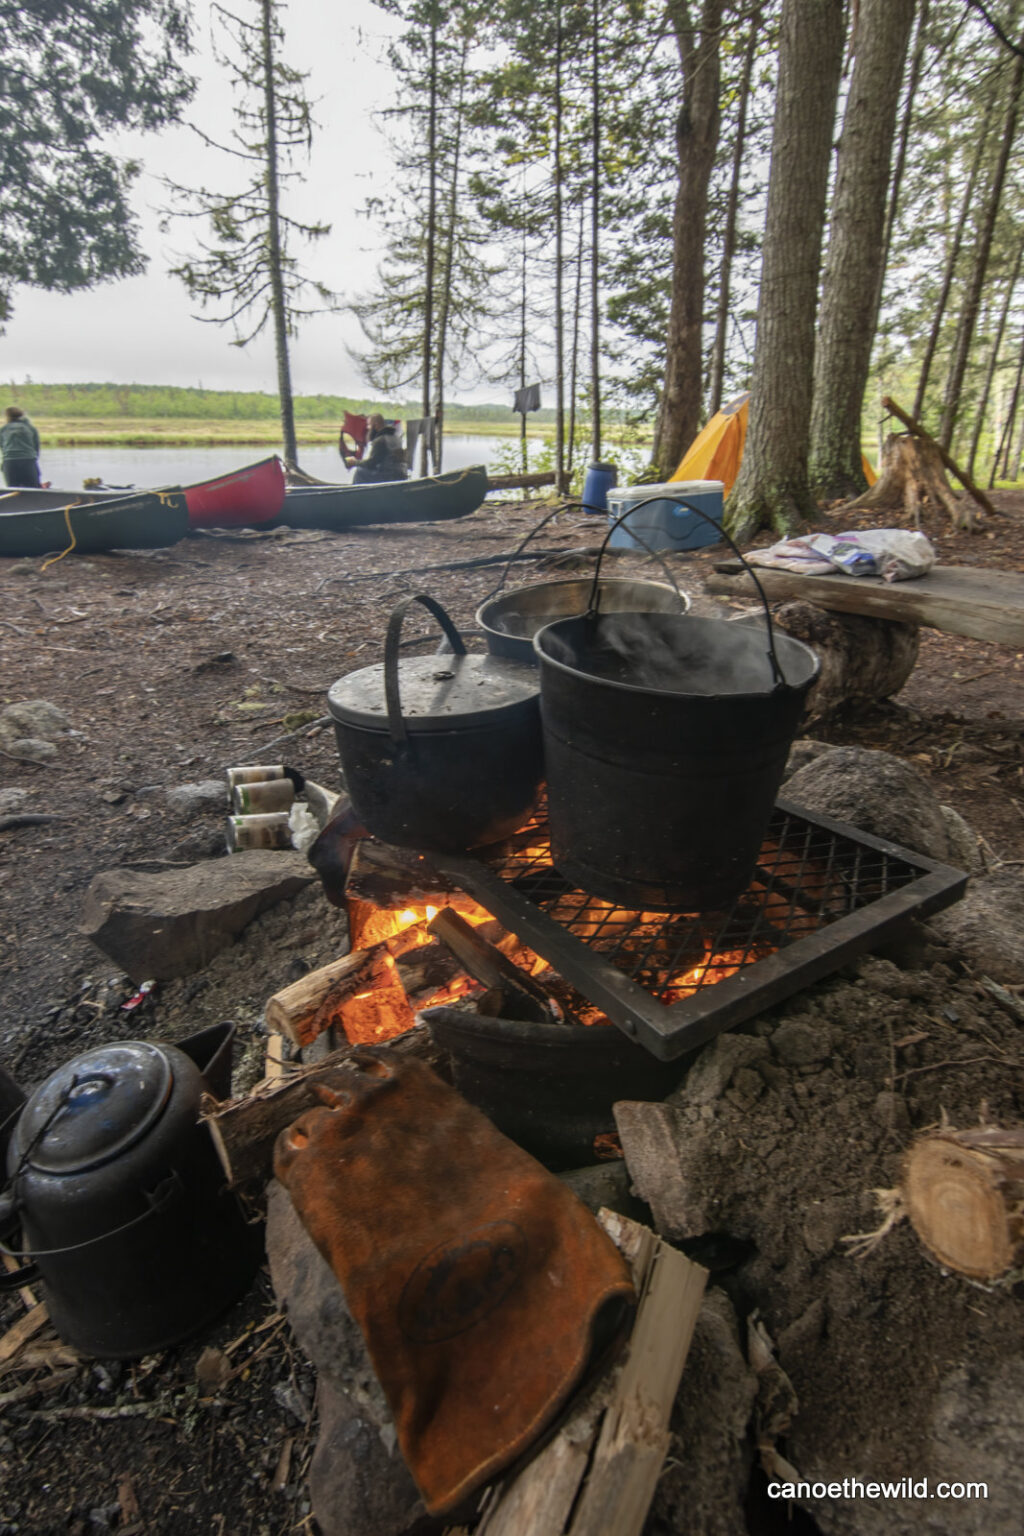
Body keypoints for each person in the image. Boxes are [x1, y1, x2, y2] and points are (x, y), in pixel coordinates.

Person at [352, 413, 409, 484]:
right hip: (401, 474)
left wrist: (355, 462)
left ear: (376, 425)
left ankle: (357, 492)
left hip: (389, 476)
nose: (367, 428)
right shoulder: (396, 438)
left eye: (369, 425)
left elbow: (371, 464)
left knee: (359, 471)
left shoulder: (380, 441)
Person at [1, 406, 42, 487]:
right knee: (34, 490)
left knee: (13, 489)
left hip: (9, 463)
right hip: (28, 461)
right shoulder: (30, 428)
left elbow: (2, 447)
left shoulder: (3, 429)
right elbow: (36, 447)